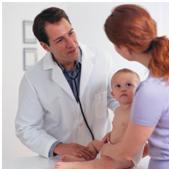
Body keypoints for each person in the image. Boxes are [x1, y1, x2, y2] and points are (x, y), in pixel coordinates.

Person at [55, 4, 169, 169]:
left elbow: (125, 153)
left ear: (123, 48)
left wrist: (104, 147)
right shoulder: (159, 80)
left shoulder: (149, 91)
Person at [15, 7, 118, 159]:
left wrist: (124, 122)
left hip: (102, 154)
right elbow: (26, 127)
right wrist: (59, 146)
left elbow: (115, 98)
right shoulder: (33, 78)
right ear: (45, 46)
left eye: (70, 33)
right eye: (60, 40)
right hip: (60, 159)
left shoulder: (102, 59)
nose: (71, 43)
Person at [59, 68, 143, 169]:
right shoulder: (118, 110)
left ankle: (80, 166)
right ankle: (82, 159)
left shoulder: (136, 112)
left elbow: (136, 135)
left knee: (105, 163)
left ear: (139, 91)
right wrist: (110, 135)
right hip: (111, 147)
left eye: (129, 85)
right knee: (94, 144)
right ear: (113, 94)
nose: (123, 89)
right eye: (118, 86)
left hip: (126, 157)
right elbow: (120, 127)